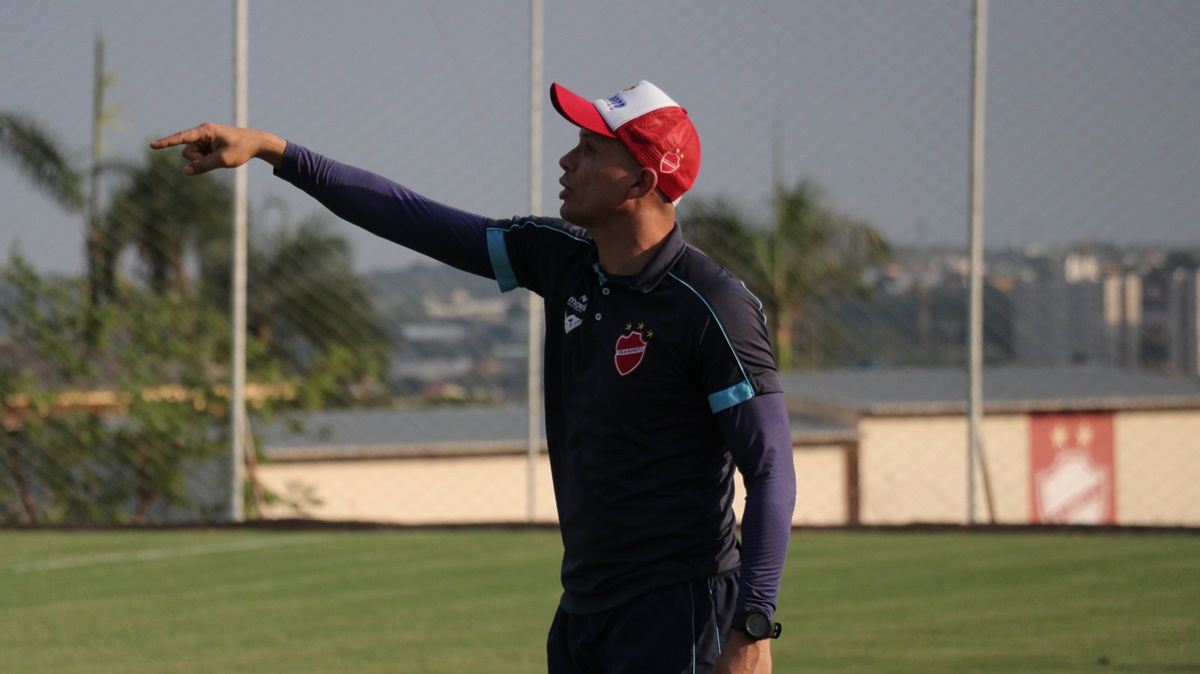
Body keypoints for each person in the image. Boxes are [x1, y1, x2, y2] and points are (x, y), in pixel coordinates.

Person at [152, 80, 797, 674]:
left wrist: (753, 625)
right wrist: (273, 150)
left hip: (678, 613)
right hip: (583, 610)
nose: (568, 161)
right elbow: (411, 216)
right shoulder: (560, 258)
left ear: (638, 179)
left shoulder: (712, 305)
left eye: (590, 147)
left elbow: (769, 469)